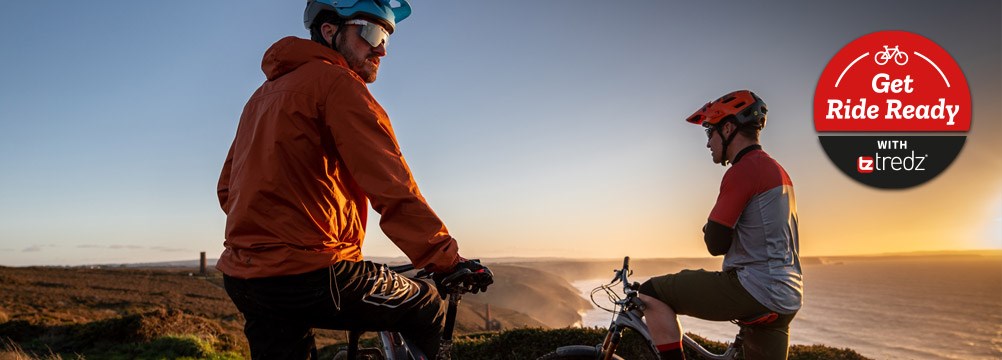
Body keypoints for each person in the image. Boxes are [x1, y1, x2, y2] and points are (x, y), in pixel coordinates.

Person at [215, 1, 492, 358]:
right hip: (311, 274)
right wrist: (445, 260)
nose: (381, 49)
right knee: (426, 304)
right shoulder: (338, 84)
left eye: (387, 38)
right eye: (372, 32)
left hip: (245, 277)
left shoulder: (260, 98)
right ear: (330, 31)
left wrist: (272, 231)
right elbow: (391, 185)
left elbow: (227, 188)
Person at [638, 90, 803, 360]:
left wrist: (709, 228)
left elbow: (715, 243)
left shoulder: (744, 170)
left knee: (650, 293)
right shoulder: (777, 170)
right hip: (788, 295)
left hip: (755, 288)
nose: (707, 144)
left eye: (709, 133)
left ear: (727, 128)